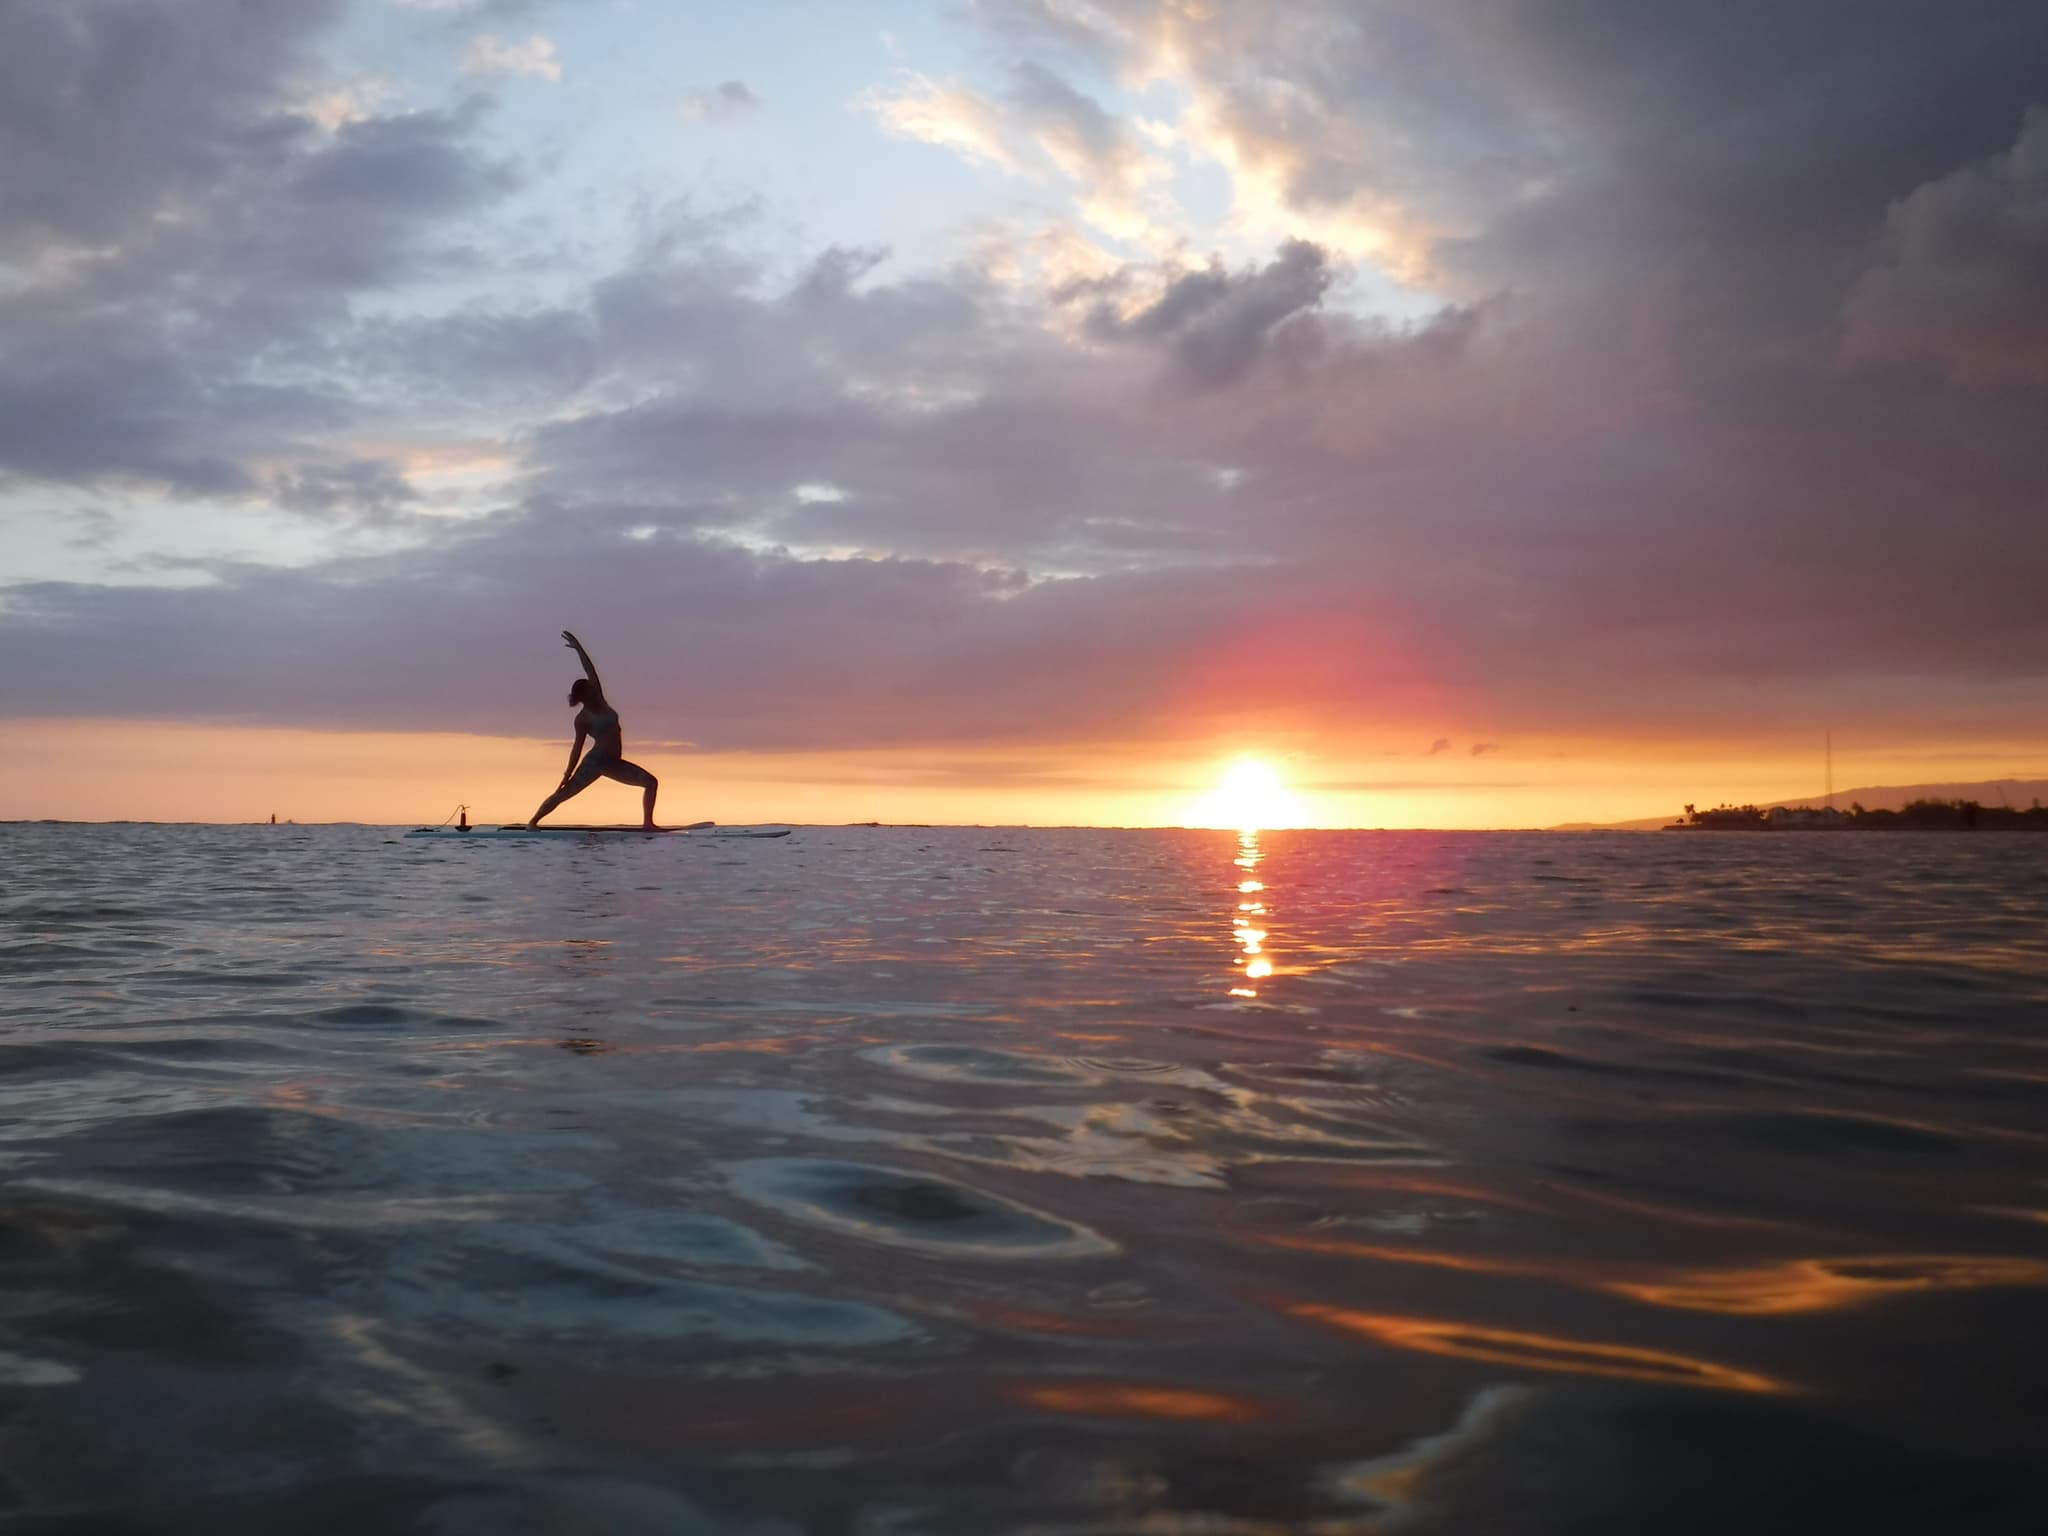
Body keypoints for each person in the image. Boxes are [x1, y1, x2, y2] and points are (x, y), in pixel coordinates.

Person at [526, 630, 659, 828]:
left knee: (651, 782)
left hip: (613, 762)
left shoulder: (600, 699)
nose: (594, 687)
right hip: (596, 762)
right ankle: (532, 823)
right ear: (584, 695)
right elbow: (576, 748)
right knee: (564, 794)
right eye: (590, 688)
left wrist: (578, 647)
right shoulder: (582, 719)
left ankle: (648, 824)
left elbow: (590, 670)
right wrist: (567, 775)